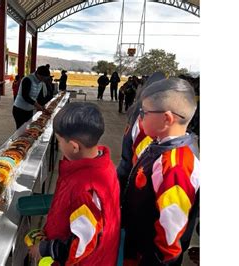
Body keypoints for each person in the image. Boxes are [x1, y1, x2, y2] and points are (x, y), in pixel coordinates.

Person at [26, 102, 120, 265]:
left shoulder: (85, 188)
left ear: (74, 146)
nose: (60, 146)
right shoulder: (102, 164)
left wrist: (45, 249)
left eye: (60, 142)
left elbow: (84, 243)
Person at [122, 78, 200, 266]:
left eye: (144, 112)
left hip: (148, 257)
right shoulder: (158, 146)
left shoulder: (175, 167)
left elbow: (169, 240)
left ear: (167, 118)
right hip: (137, 245)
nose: (140, 118)